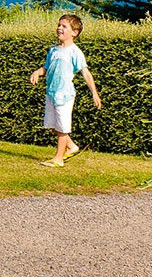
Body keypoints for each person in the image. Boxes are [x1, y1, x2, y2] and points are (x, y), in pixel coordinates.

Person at [29, 13, 102, 168]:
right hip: (51, 92)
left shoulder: (75, 52)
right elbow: (46, 68)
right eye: (59, 25)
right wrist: (37, 72)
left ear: (74, 33)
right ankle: (72, 147)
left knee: (62, 128)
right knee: (54, 126)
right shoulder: (53, 50)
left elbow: (86, 73)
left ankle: (58, 159)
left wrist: (94, 93)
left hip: (65, 95)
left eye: (64, 26)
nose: (59, 28)